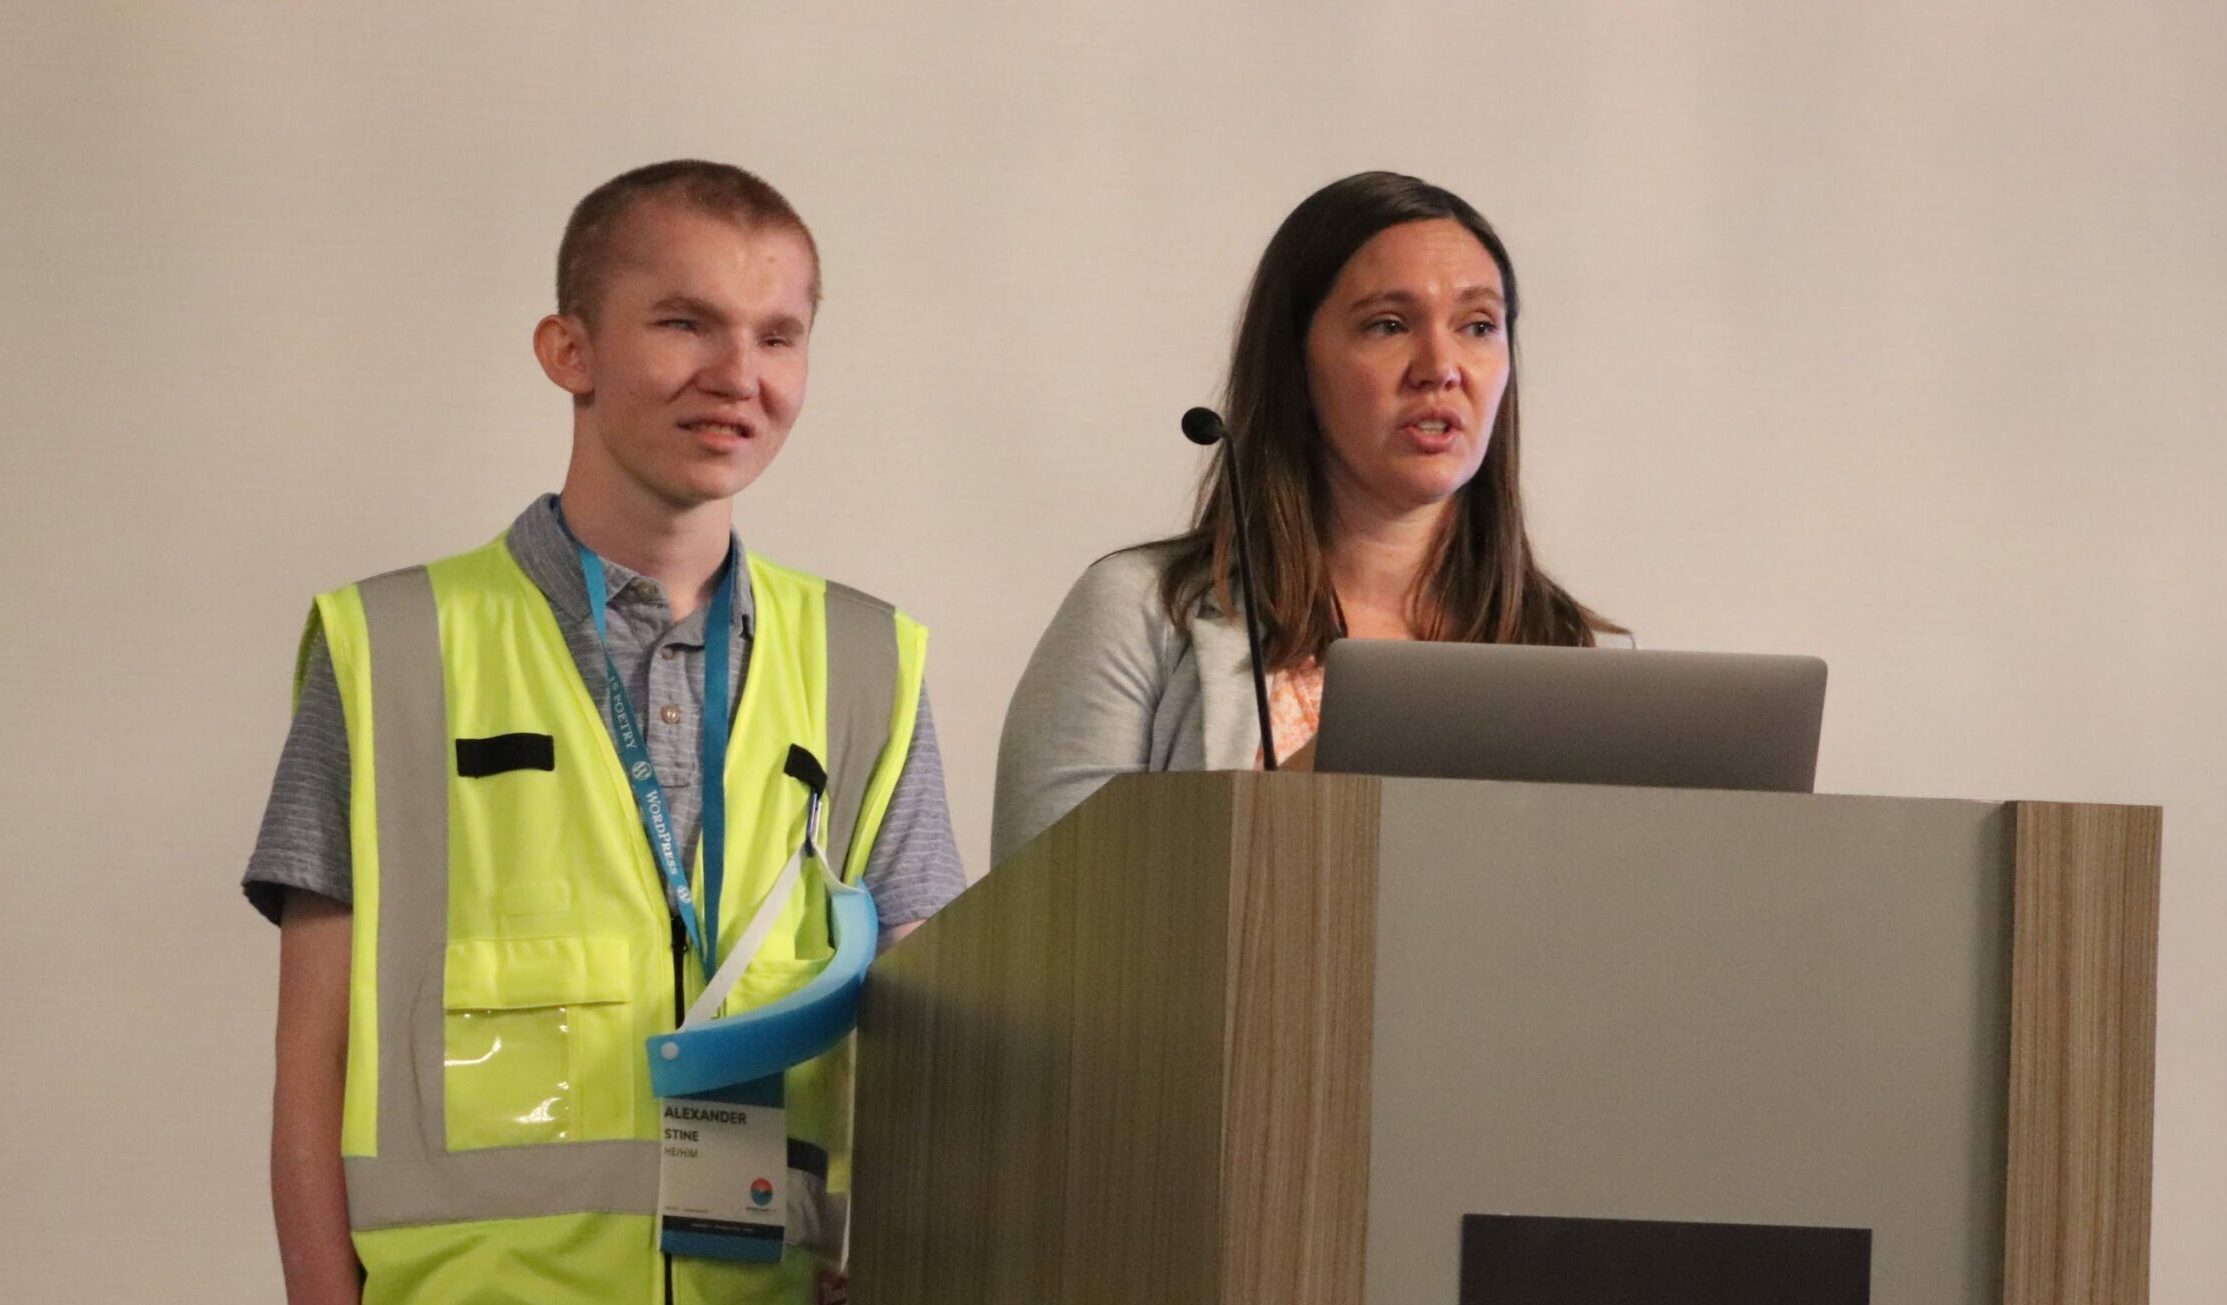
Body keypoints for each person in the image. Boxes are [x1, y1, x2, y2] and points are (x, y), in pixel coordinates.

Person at [245, 160, 965, 1304]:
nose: (739, 376)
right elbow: (311, 1062)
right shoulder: (387, 648)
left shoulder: (871, 661)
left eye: (779, 337)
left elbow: (932, 1036)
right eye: (685, 324)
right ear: (568, 350)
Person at [993, 170, 1626, 866]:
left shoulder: (1569, 658)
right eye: (1387, 324)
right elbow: (1040, 921)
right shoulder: (1141, 611)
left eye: (1478, 326)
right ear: (1295, 363)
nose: (1441, 368)